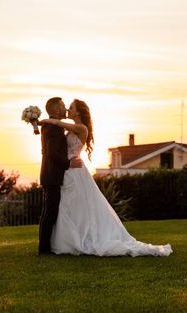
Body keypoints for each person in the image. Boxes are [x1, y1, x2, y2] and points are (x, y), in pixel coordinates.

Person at [40, 99, 172, 257]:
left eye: (71, 107)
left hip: (75, 170)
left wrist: (47, 120)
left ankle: (76, 241)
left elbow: (65, 126)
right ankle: (65, 241)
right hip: (67, 170)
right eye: (66, 106)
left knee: (75, 206)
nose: (68, 108)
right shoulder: (61, 128)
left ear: (79, 112)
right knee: (68, 208)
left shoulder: (81, 128)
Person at [37, 97, 70, 255]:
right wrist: (69, 164)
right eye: (63, 106)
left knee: (48, 212)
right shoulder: (53, 128)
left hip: (49, 174)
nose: (65, 109)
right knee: (50, 212)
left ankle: (44, 247)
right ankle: (44, 249)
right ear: (56, 109)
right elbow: (52, 153)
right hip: (52, 175)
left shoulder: (51, 125)